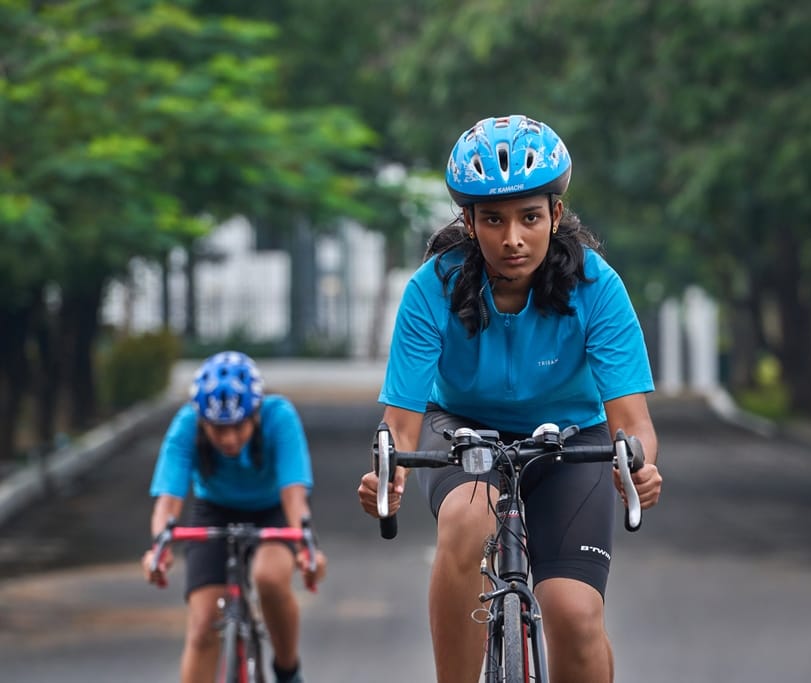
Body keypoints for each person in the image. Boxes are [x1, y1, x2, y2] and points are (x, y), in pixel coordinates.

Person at [357, 114, 662, 683]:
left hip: (573, 436)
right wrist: (389, 474)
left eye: (529, 217)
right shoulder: (432, 288)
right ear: (468, 221)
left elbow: (632, 424)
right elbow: (399, 427)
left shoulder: (598, 287)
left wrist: (637, 464)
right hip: (463, 431)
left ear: (556, 215)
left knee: (573, 614)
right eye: (493, 220)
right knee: (468, 520)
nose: (513, 238)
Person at [142, 351, 326, 683]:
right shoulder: (186, 426)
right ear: (201, 421)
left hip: (272, 510)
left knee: (270, 578)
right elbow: (167, 503)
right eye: (217, 429)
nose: (228, 439)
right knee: (202, 627)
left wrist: (306, 549)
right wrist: (159, 548)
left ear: (255, 413)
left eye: (238, 426)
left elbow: (294, 497)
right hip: (214, 511)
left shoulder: (279, 417)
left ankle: (287, 670)